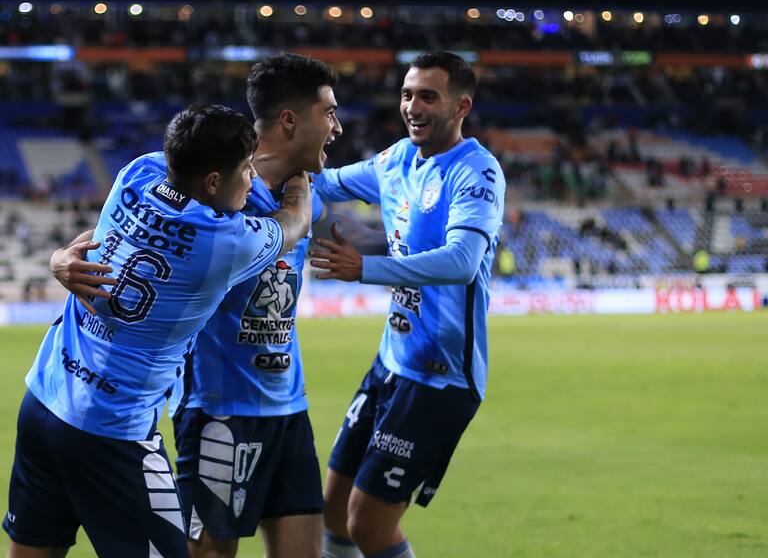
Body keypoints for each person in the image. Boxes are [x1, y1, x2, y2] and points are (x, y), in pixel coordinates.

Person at [50, 54, 373, 558]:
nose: (337, 126)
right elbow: (131, 243)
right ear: (290, 120)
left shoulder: (309, 189)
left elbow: (376, 214)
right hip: (219, 410)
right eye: (329, 112)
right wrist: (59, 260)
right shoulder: (215, 198)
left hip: (289, 405)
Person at [4, 103, 311, 558]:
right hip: (112, 431)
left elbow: (113, 234)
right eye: (244, 170)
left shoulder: (137, 173)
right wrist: (299, 189)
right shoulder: (224, 243)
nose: (250, 180)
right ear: (212, 181)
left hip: (44, 399)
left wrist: (57, 259)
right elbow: (292, 227)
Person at [310, 51, 506, 558]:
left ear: (461, 105)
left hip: (441, 377)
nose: (412, 106)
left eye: (427, 96)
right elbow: (324, 184)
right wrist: (270, 170)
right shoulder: (397, 160)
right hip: (392, 362)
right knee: (331, 511)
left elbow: (463, 261)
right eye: (406, 94)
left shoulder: (477, 173)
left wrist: (365, 268)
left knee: (369, 526)